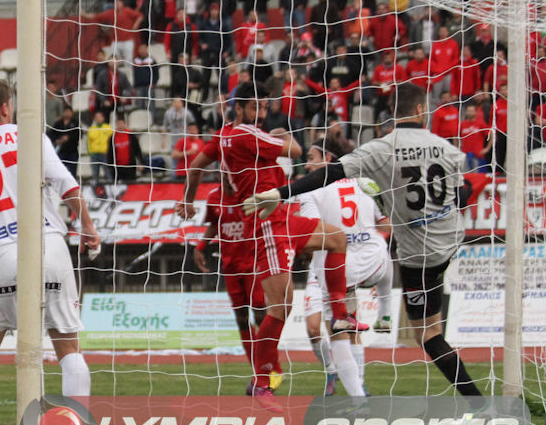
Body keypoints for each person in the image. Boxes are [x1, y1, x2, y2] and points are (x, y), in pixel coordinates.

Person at [245, 82, 484, 401]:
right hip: (447, 244)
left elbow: (329, 173)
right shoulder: (447, 148)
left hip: (414, 257)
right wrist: (470, 188)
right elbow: (461, 193)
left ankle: (476, 403)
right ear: (420, 110)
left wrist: (280, 193)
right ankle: (382, 318)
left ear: (392, 114)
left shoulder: (381, 148)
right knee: (396, 296)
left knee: (428, 336)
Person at [177, 82, 361, 407]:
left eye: (264, 107)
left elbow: (193, 169)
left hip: (283, 216)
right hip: (267, 224)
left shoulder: (221, 139)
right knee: (280, 307)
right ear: (240, 108)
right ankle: (263, 382)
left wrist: (188, 201)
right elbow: (296, 151)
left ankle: (340, 314)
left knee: (336, 238)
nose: (261, 114)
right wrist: (284, 135)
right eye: (256, 108)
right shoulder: (245, 134)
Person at [0, 79, 101, 425]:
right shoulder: (28, 135)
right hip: (48, 243)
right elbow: (66, 186)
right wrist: (89, 228)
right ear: (5, 108)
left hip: (0, 250)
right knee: (68, 347)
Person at [297, 137, 394, 398]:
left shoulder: (312, 192)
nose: (307, 165)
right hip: (348, 267)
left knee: (343, 331)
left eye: (312, 157)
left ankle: (358, 389)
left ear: (328, 159)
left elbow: (311, 234)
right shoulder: (364, 185)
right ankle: (334, 371)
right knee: (313, 328)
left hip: (333, 270)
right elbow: (387, 227)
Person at [194, 181, 283, 391]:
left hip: (253, 263)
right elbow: (215, 223)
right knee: (242, 319)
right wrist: (201, 245)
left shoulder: (250, 193)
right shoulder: (214, 197)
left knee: (261, 314)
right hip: (231, 266)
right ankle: (258, 373)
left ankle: (273, 368)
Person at [107, 115, 144, 182]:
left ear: (125, 124)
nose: (120, 126)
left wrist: (141, 162)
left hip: (130, 167)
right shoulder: (112, 137)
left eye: (121, 123)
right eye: (118, 124)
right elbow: (109, 153)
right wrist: (110, 166)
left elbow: (138, 150)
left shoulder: (131, 135)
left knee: (131, 186)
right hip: (118, 168)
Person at [48, 106, 80, 177]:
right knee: (60, 171)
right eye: (65, 112)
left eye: (69, 112)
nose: (67, 113)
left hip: (73, 152)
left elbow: (79, 135)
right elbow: (51, 133)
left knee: (73, 173)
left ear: (72, 113)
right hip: (61, 151)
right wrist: (56, 140)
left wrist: (68, 138)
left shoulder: (75, 123)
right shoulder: (58, 123)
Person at [87, 111, 113, 183]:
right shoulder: (91, 129)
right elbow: (88, 142)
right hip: (94, 154)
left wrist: (109, 153)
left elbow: (111, 141)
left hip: (105, 153)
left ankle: (111, 189)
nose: (98, 118)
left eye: (99, 116)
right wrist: (90, 153)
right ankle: (96, 191)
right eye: (96, 117)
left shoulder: (108, 128)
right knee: (95, 174)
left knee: (107, 172)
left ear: (103, 118)